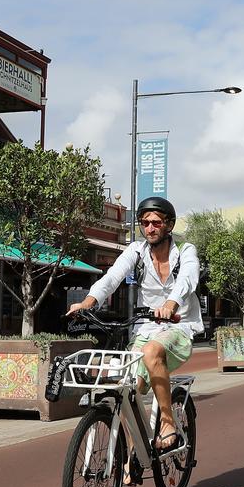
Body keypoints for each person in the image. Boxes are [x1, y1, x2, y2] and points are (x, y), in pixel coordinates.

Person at [66, 196, 201, 464]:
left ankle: (167, 422)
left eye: (156, 223)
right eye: (144, 223)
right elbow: (113, 277)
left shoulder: (185, 251)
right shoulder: (136, 252)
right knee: (126, 386)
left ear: (169, 225)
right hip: (144, 327)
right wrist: (89, 302)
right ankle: (133, 452)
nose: (149, 228)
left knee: (152, 352)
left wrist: (171, 304)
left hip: (178, 326)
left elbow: (187, 279)